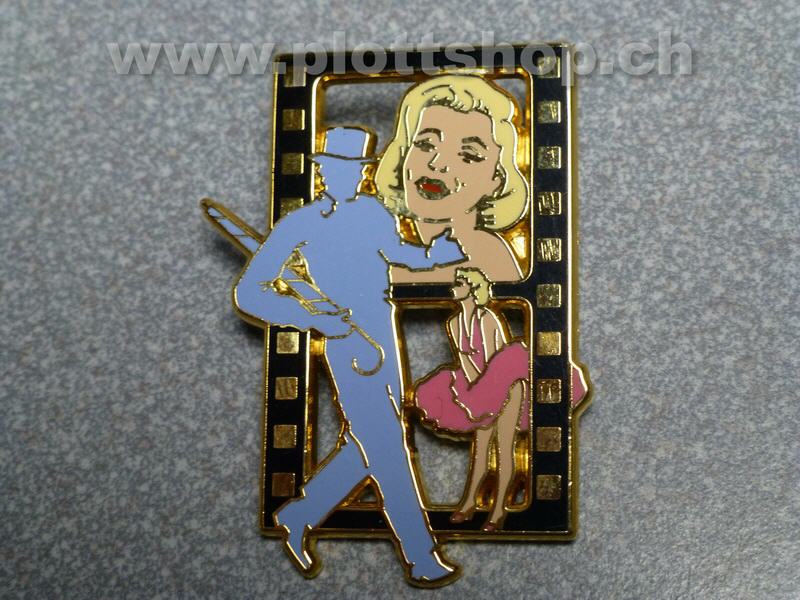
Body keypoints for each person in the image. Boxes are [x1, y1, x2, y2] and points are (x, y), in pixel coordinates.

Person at [234, 127, 464, 585]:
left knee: (371, 441)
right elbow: (249, 292)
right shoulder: (300, 224)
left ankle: (300, 515)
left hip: (384, 331)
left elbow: (398, 255)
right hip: (347, 343)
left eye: (356, 170)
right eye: (339, 169)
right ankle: (420, 555)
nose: (350, 178)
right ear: (323, 172)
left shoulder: (374, 212)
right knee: (388, 445)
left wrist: (435, 254)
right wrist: (311, 318)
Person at [375, 74, 530, 284]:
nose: (437, 164)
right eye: (426, 144)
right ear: (402, 156)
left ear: (497, 180)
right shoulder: (380, 238)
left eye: (468, 155)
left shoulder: (488, 259)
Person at [412, 268, 529, 531]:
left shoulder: (487, 318)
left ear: (472, 288)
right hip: (479, 387)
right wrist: (473, 394)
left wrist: (486, 390)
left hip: (507, 386)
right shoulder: (454, 323)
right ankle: (468, 504)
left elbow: (498, 362)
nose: (454, 287)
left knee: (504, 448)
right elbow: (465, 362)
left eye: (460, 283)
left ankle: (498, 511)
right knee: (480, 449)